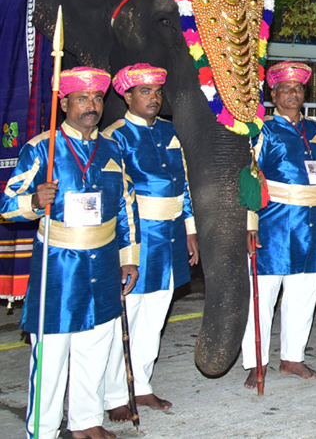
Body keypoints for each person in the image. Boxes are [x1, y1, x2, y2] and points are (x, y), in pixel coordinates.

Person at [1, 67, 139, 439]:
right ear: (64, 103)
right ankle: (42, 430)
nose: (91, 106)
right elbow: (5, 204)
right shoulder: (41, 148)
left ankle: (85, 422)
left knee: (95, 346)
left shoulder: (113, 148)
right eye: (82, 99)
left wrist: (130, 256)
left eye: (97, 99)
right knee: (52, 353)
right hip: (58, 268)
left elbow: (126, 206)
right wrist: (32, 201)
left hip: (105, 261)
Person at [102, 64, 199, 420]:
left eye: (157, 92)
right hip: (137, 238)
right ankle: (115, 393)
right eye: (145, 92)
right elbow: (115, 195)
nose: (154, 99)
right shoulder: (115, 136)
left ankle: (141, 386)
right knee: (127, 317)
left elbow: (184, 184)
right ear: (126, 96)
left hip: (171, 236)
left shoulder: (170, 131)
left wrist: (190, 230)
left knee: (156, 315)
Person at [241, 62, 316, 386]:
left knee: (305, 292)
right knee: (263, 295)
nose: (294, 94)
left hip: (312, 224)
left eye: (299, 89)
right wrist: (250, 224)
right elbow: (251, 179)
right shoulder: (262, 130)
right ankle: (256, 362)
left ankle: (293, 358)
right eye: (286, 89)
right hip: (274, 225)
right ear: (273, 94)